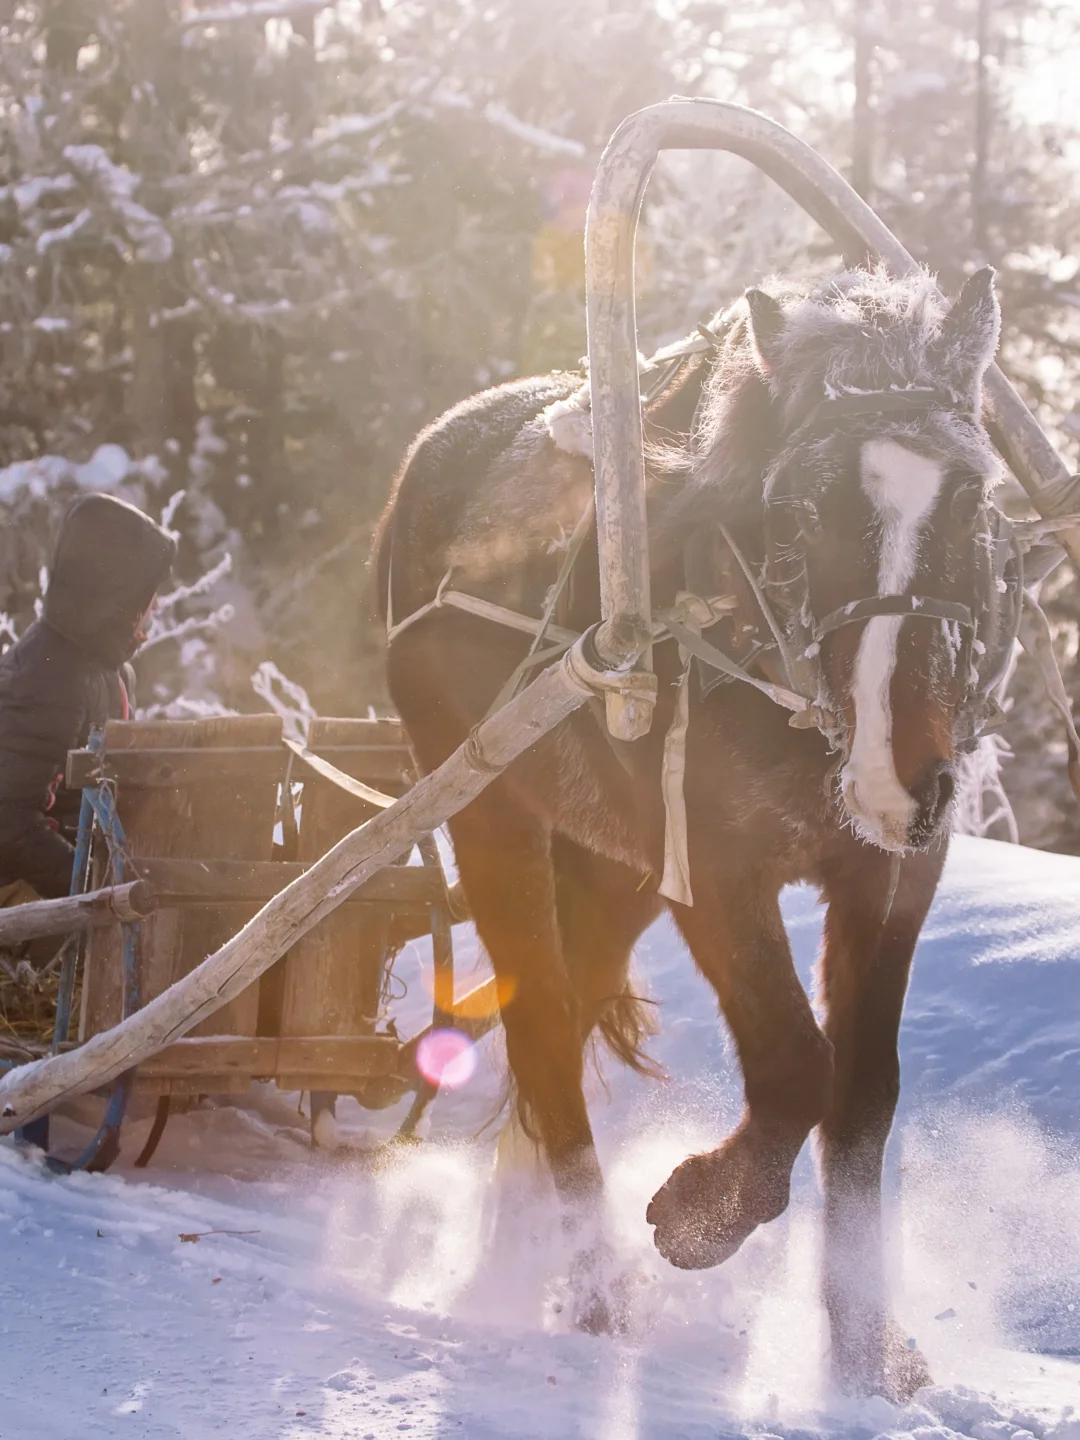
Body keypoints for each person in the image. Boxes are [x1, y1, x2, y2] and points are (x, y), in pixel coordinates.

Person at [0, 492, 177, 903]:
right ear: (110, 591)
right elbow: (8, 819)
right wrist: (92, 891)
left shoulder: (108, 669)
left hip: (71, 874)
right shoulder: (50, 672)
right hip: (19, 886)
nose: (155, 603)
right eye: (145, 590)